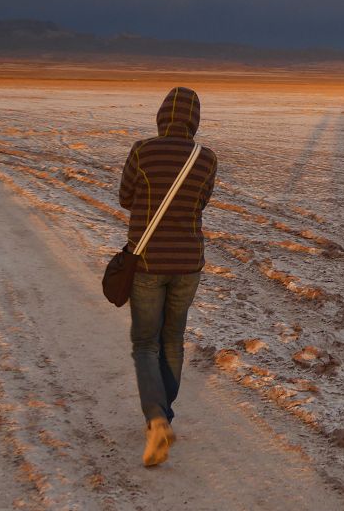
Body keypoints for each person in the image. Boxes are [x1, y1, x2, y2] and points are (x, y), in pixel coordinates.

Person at [118, 86, 217, 466]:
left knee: (146, 342)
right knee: (173, 338)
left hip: (147, 261)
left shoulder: (143, 150)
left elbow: (126, 197)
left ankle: (156, 420)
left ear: (161, 117)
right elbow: (201, 202)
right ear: (194, 120)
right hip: (188, 262)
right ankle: (164, 418)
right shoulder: (205, 158)